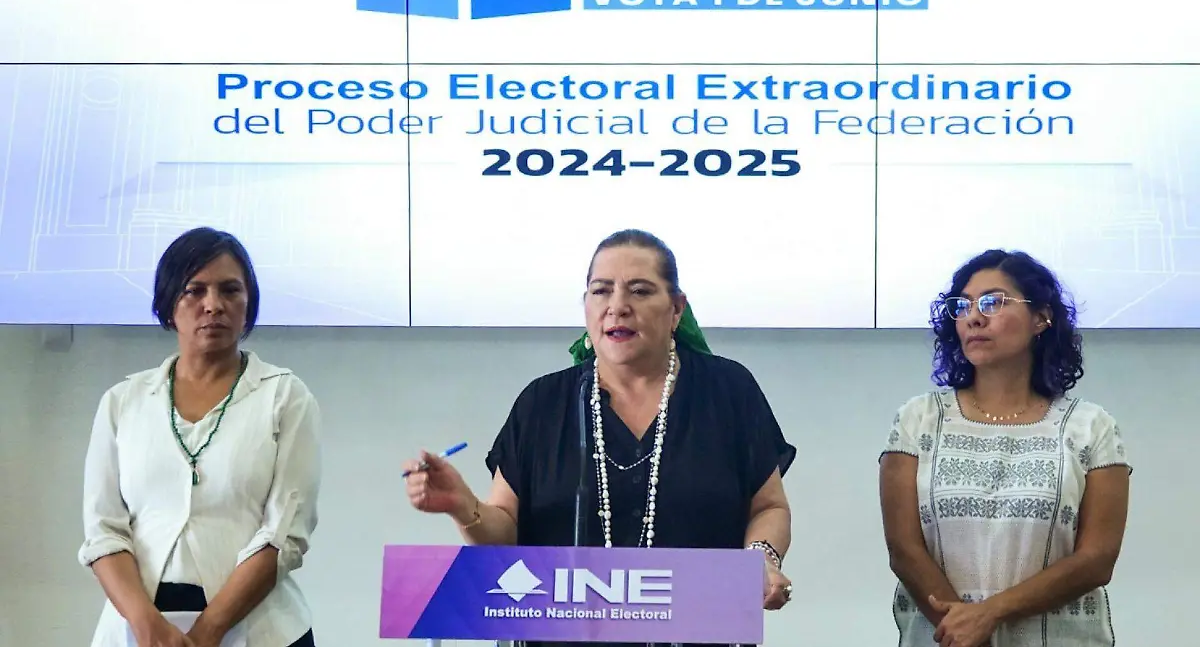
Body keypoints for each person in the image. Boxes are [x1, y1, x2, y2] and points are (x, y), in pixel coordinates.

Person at [404, 228, 797, 647]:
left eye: (640, 291)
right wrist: (463, 506)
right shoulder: (544, 403)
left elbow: (768, 506)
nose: (617, 306)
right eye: (601, 291)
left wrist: (760, 557)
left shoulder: (728, 390)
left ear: (676, 309)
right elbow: (505, 533)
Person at [78, 227, 322, 647]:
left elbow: (284, 532)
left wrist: (210, 630)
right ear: (168, 304)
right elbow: (104, 531)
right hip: (139, 631)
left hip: (263, 631)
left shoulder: (285, 396)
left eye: (230, 290)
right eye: (195, 290)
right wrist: (147, 625)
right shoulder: (123, 402)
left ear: (249, 303)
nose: (214, 305)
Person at [879, 249, 1132, 647]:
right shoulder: (919, 419)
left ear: (1041, 318)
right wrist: (963, 633)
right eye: (963, 305)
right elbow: (904, 549)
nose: (974, 317)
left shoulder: (1091, 426)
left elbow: (1096, 560)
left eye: (993, 302)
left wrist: (989, 614)